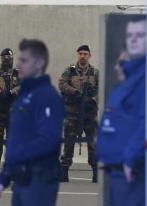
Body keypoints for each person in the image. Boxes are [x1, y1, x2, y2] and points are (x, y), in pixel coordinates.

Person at [0, 39, 64, 206]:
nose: (19, 64)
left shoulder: (47, 96)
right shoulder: (24, 96)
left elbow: (48, 140)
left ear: (39, 63)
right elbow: (16, 139)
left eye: (24, 60)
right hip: (21, 180)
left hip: (39, 180)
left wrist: (17, 156)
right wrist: (3, 179)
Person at [97, 16, 147, 206]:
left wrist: (130, 159)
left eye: (140, 35)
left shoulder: (146, 80)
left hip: (131, 173)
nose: (134, 39)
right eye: (130, 35)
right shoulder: (125, 84)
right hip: (115, 172)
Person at [59, 45, 99, 182]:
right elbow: (62, 84)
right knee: (69, 142)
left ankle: (95, 171)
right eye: (81, 53)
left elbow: (101, 89)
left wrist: (91, 100)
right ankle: (64, 170)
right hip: (72, 113)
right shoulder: (70, 71)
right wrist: (73, 92)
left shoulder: (95, 72)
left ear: (89, 55)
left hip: (89, 114)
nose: (83, 56)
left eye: (85, 53)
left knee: (93, 143)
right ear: (77, 55)